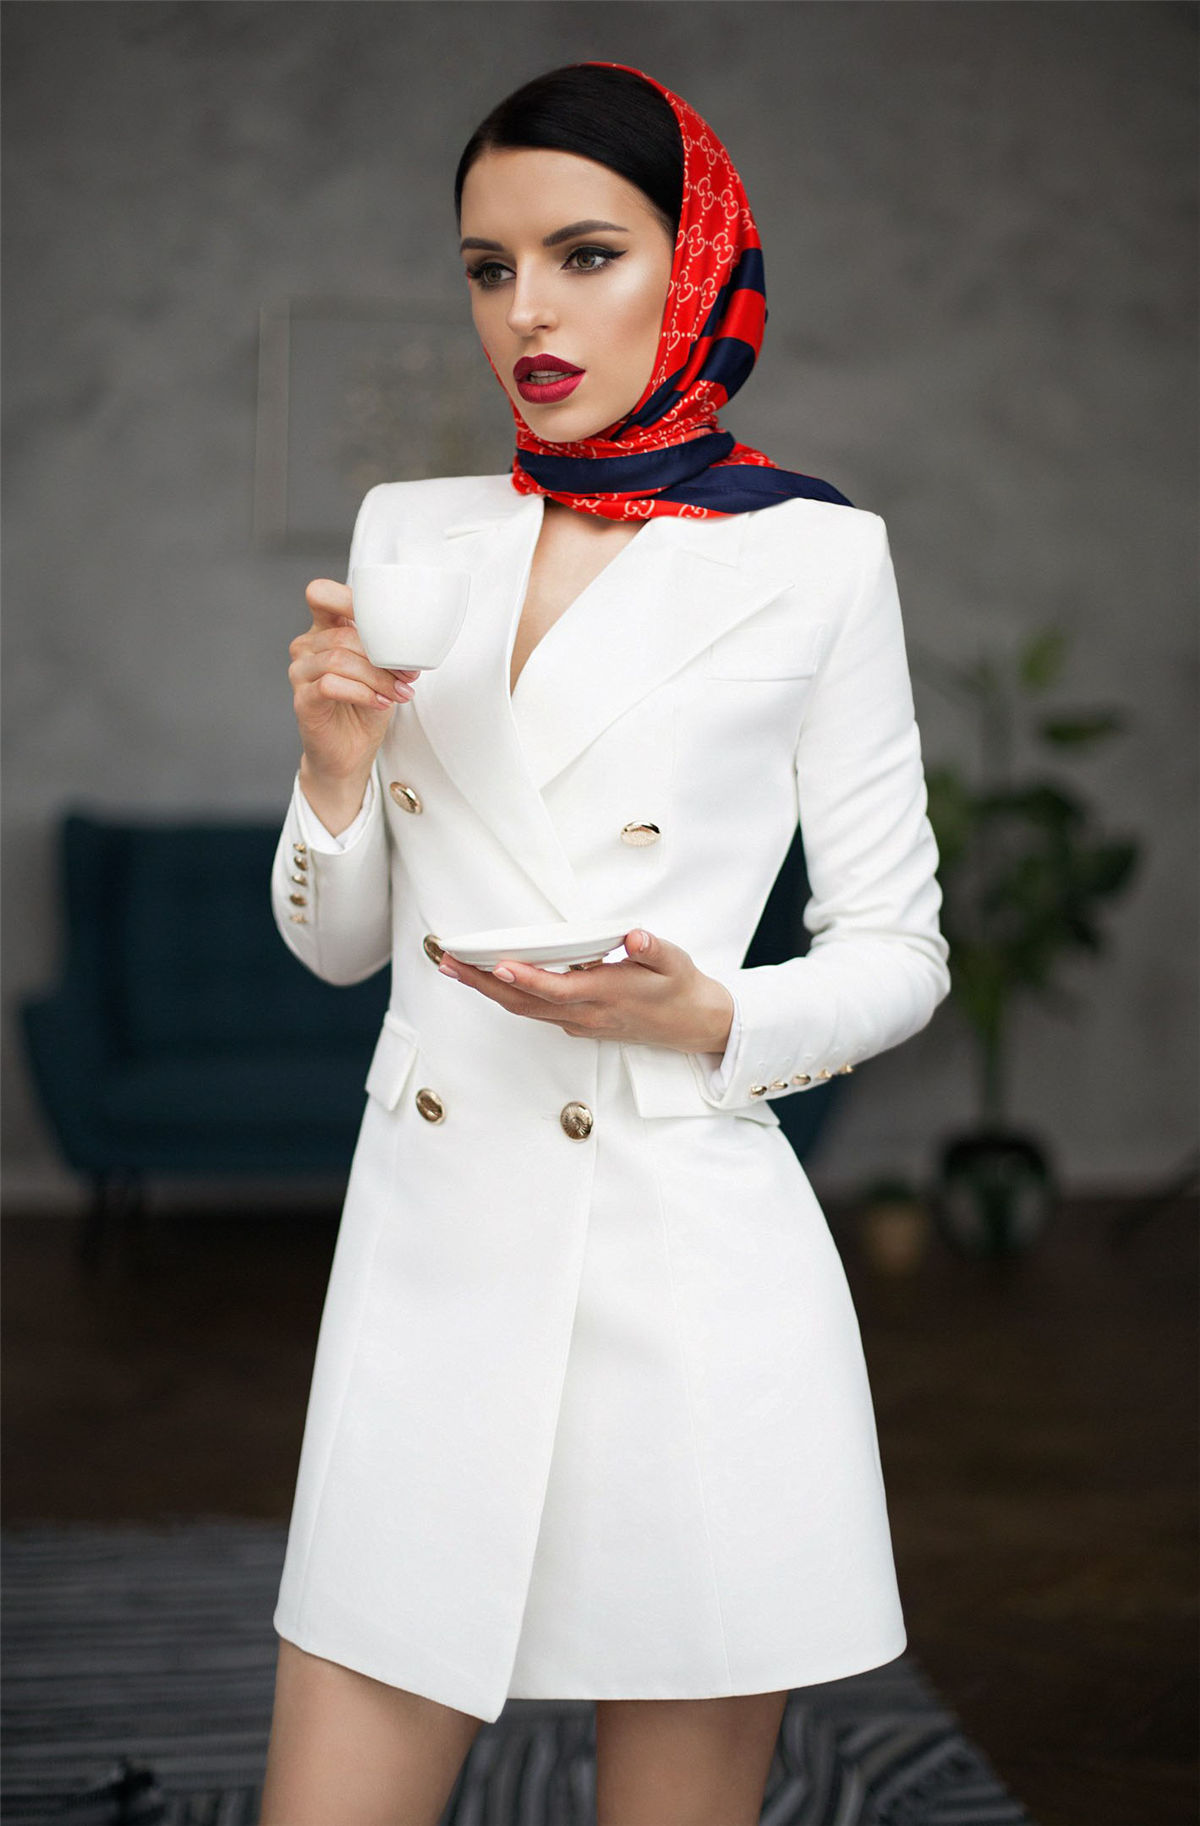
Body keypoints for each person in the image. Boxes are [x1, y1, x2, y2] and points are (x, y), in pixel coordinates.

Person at [258, 59, 951, 1826]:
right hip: (429, 1258)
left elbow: (899, 948)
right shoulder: (412, 532)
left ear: (693, 259)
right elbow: (343, 953)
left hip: (685, 1260)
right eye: (489, 268)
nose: (530, 313)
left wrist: (708, 1011)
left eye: (584, 254)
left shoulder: (817, 557)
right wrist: (332, 776)